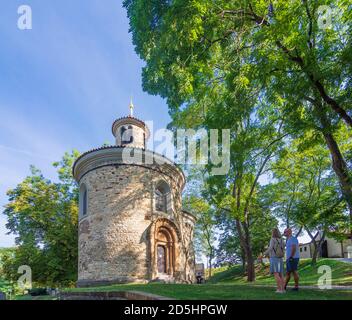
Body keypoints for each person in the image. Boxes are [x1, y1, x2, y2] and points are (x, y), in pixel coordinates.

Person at [259, 228, 285, 293]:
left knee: (276, 274)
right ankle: (283, 289)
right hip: (280, 258)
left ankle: (279, 289)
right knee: (281, 274)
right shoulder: (282, 240)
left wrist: (263, 255)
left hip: (274, 257)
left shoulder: (272, 239)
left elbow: (270, 248)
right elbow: (283, 247)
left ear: (273, 233)